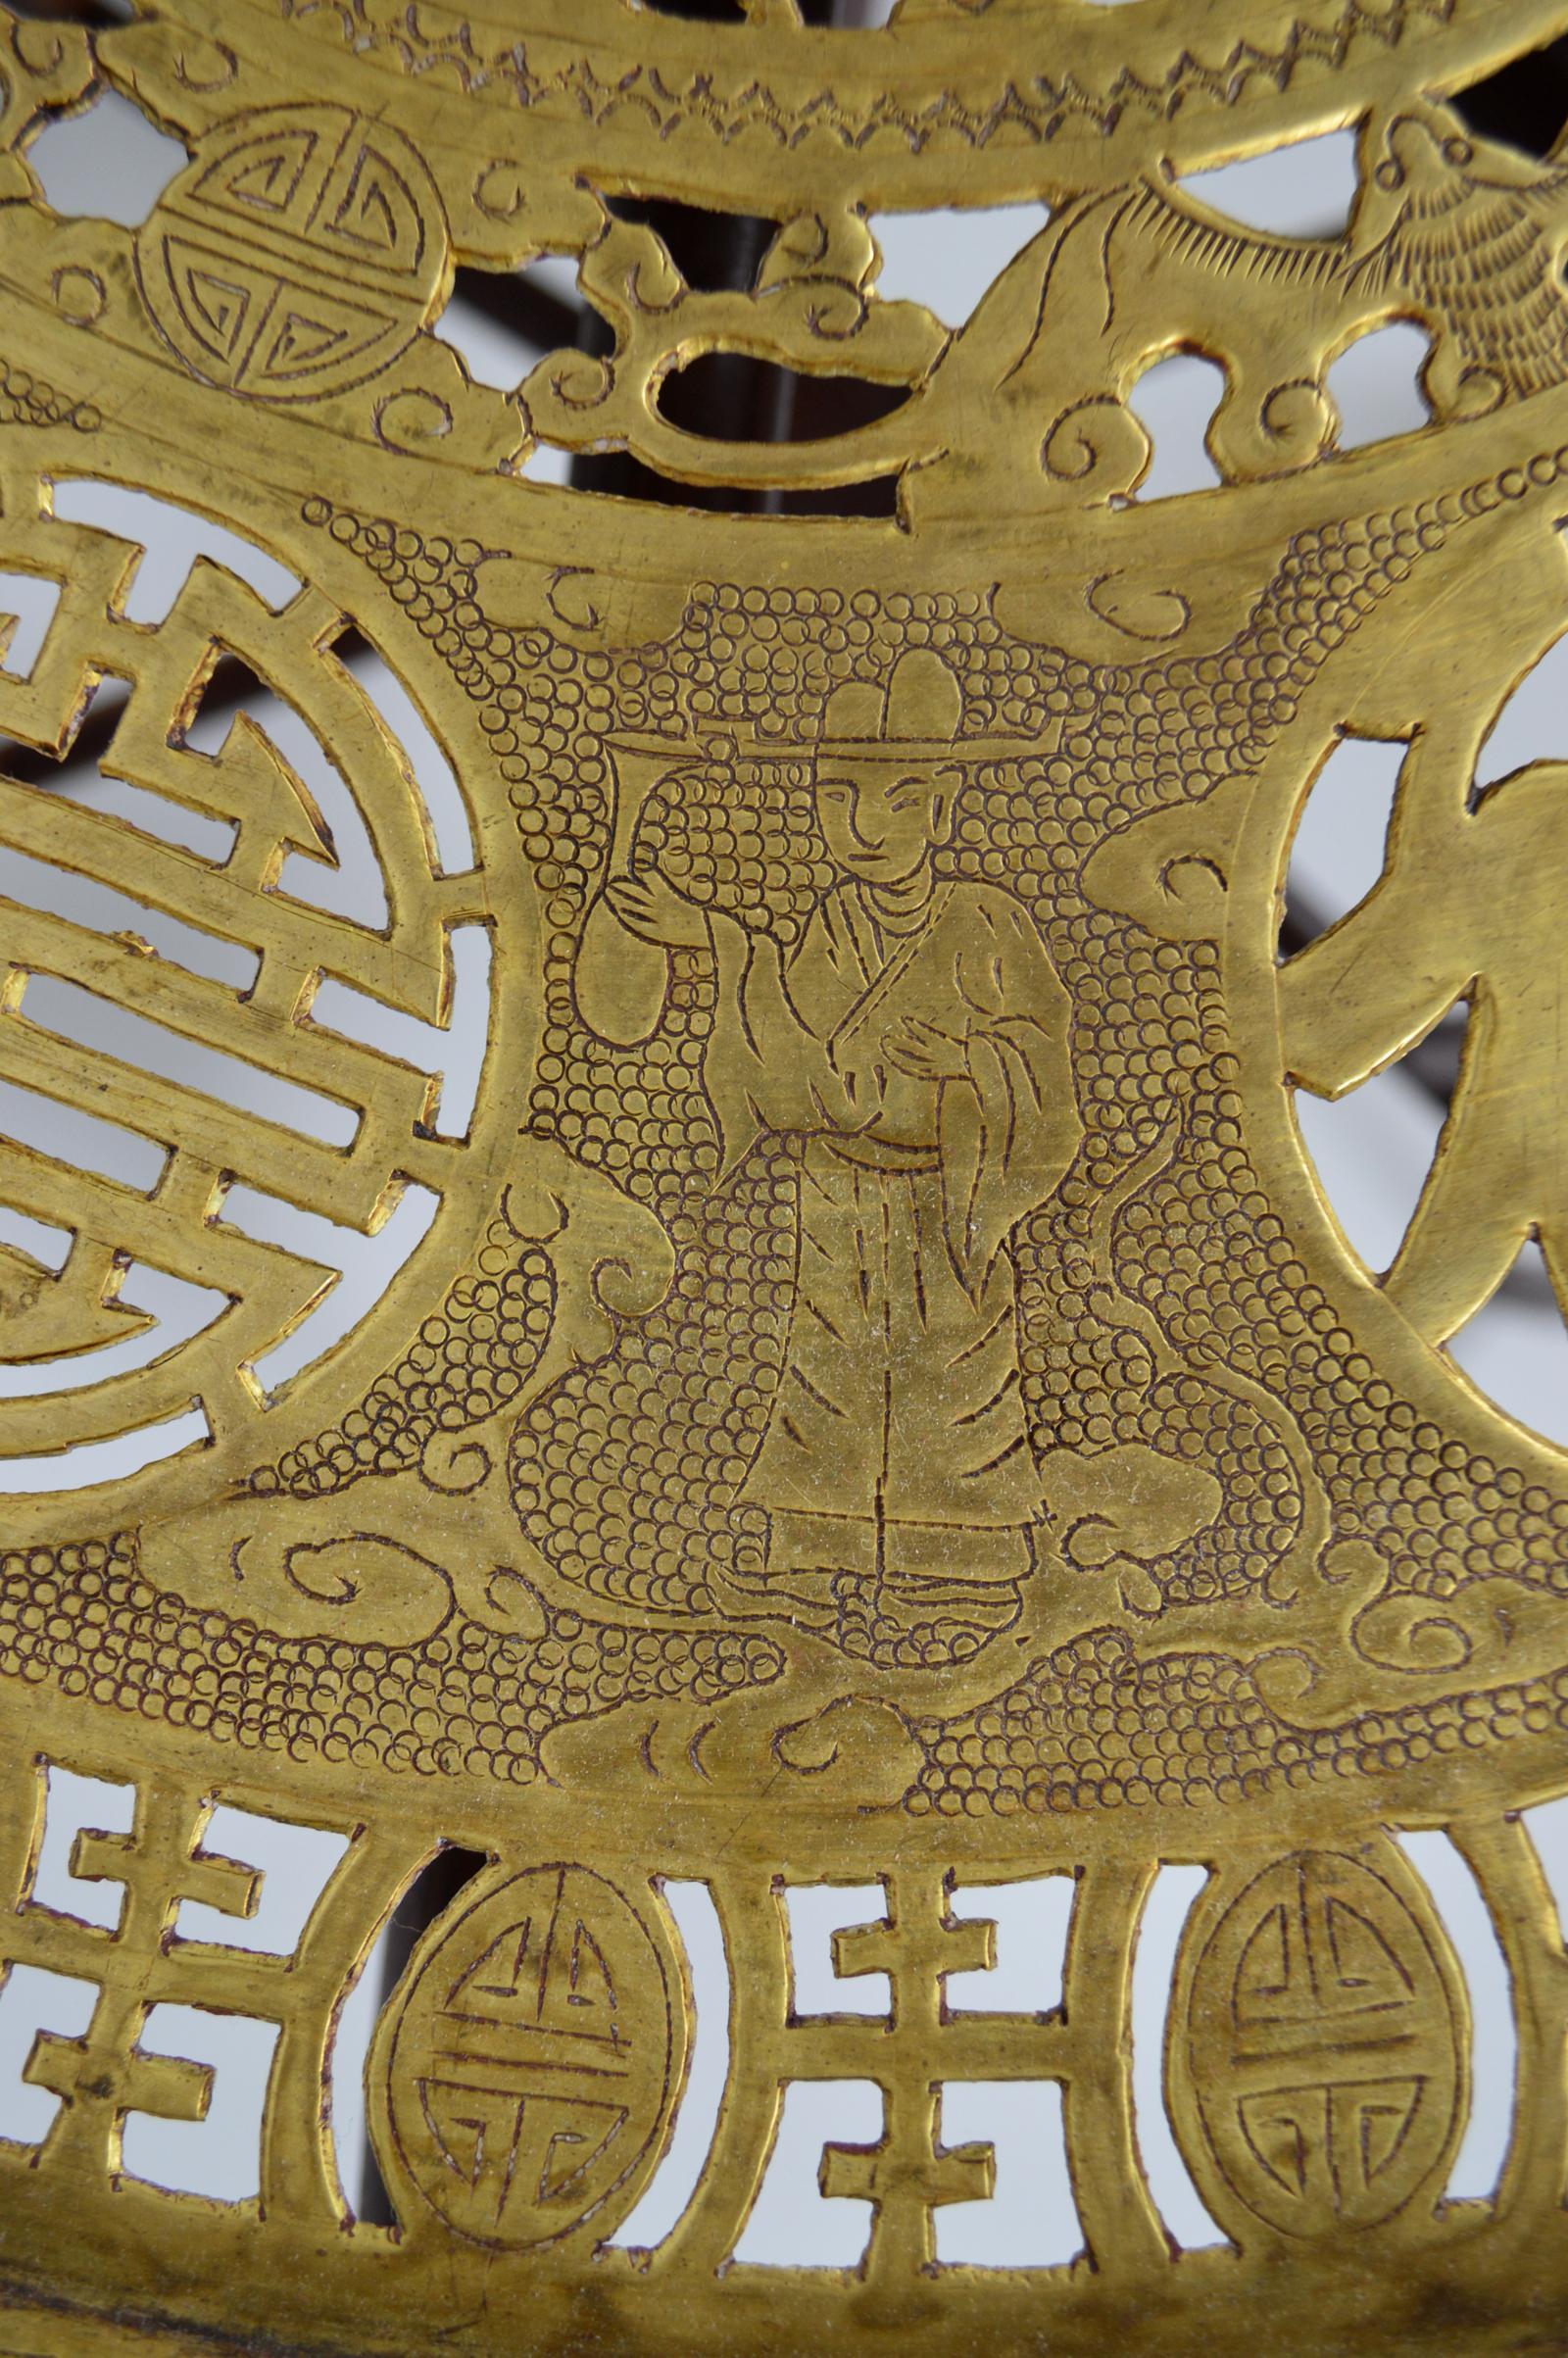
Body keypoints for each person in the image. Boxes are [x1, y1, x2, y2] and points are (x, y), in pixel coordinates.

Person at [607, 648, 1080, 1663]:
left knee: (949, 1378)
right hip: (840, 1192)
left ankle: (956, 1571)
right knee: (827, 1369)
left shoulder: (985, 921)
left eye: (897, 799)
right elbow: (800, 1044)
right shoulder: (831, 921)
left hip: (946, 1192)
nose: (864, 826)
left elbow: (1041, 1060)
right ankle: (813, 1557)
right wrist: (720, 940)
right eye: (839, 798)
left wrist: (970, 1061)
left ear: (942, 810)